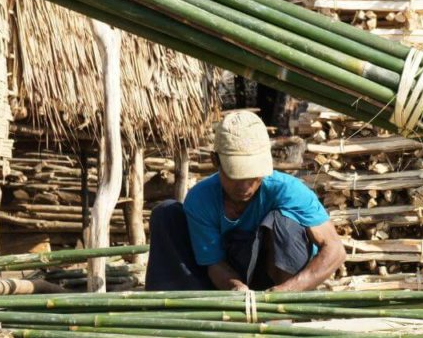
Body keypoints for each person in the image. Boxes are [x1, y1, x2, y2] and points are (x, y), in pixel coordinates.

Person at [145, 111, 346, 291]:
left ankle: (283, 315)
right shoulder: (201, 199)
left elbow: (335, 250)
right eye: (236, 176)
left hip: (278, 282)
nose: (245, 187)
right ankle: (185, 314)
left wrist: (287, 290)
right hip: (225, 282)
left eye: (253, 177)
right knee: (166, 214)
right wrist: (235, 287)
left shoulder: (288, 190)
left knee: (286, 222)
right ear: (216, 161)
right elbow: (213, 263)